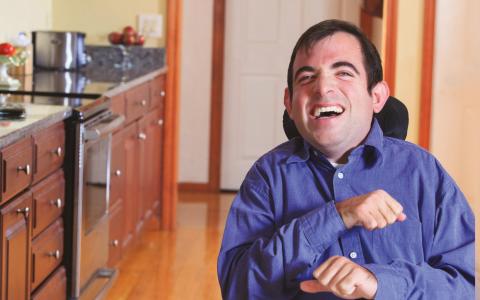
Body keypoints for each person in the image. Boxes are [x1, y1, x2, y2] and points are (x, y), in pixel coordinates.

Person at [217, 19, 475, 299]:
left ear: (377, 97)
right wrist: (335, 217)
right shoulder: (267, 178)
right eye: (306, 77)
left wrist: (379, 283)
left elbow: (463, 286)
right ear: (290, 104)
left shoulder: (424, 173)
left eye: (343, 73)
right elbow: (238, 289)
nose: (322, 88)